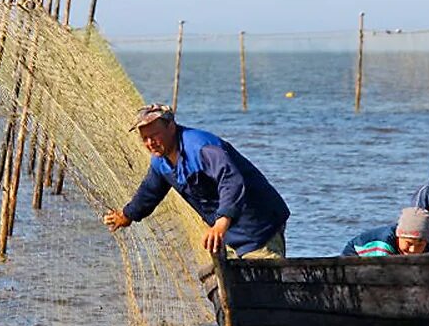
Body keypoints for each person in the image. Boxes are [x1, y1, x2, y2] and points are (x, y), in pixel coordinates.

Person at [103, 103, 290, 259]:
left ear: (171, 126)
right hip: (230, 235)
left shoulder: (200, 148)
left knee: (260, 287)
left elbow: (231, 181)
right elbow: (149, 192)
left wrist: (220, 224)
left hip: (260, 227)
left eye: (154, 135)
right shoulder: (161, 161)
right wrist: (126, 215)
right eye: (145, 138)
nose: (150, 143)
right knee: (236, 292)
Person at [342, 207, 429, 257]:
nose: (413, 250)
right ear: (398, 237)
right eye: (408, 243)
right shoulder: (384, 243)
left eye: (419, 245)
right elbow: (383, 272)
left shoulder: (425, 245)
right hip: (354, 256)